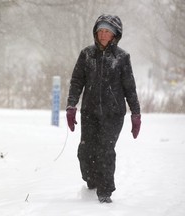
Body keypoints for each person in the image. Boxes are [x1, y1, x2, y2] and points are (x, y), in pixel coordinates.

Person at [66, 14, 141, 203]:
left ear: (115, 34)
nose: (103, 34)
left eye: (107, 31)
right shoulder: (87, 54)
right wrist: (71, 105)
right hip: (89, 112)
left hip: (113, 113)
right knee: (85, 150)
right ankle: (92, 181)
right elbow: (77, 81)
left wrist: (136, 113)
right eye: (100, 30)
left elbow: (129, 87)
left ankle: (105, 192)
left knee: (105, 150)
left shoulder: (122, 58)